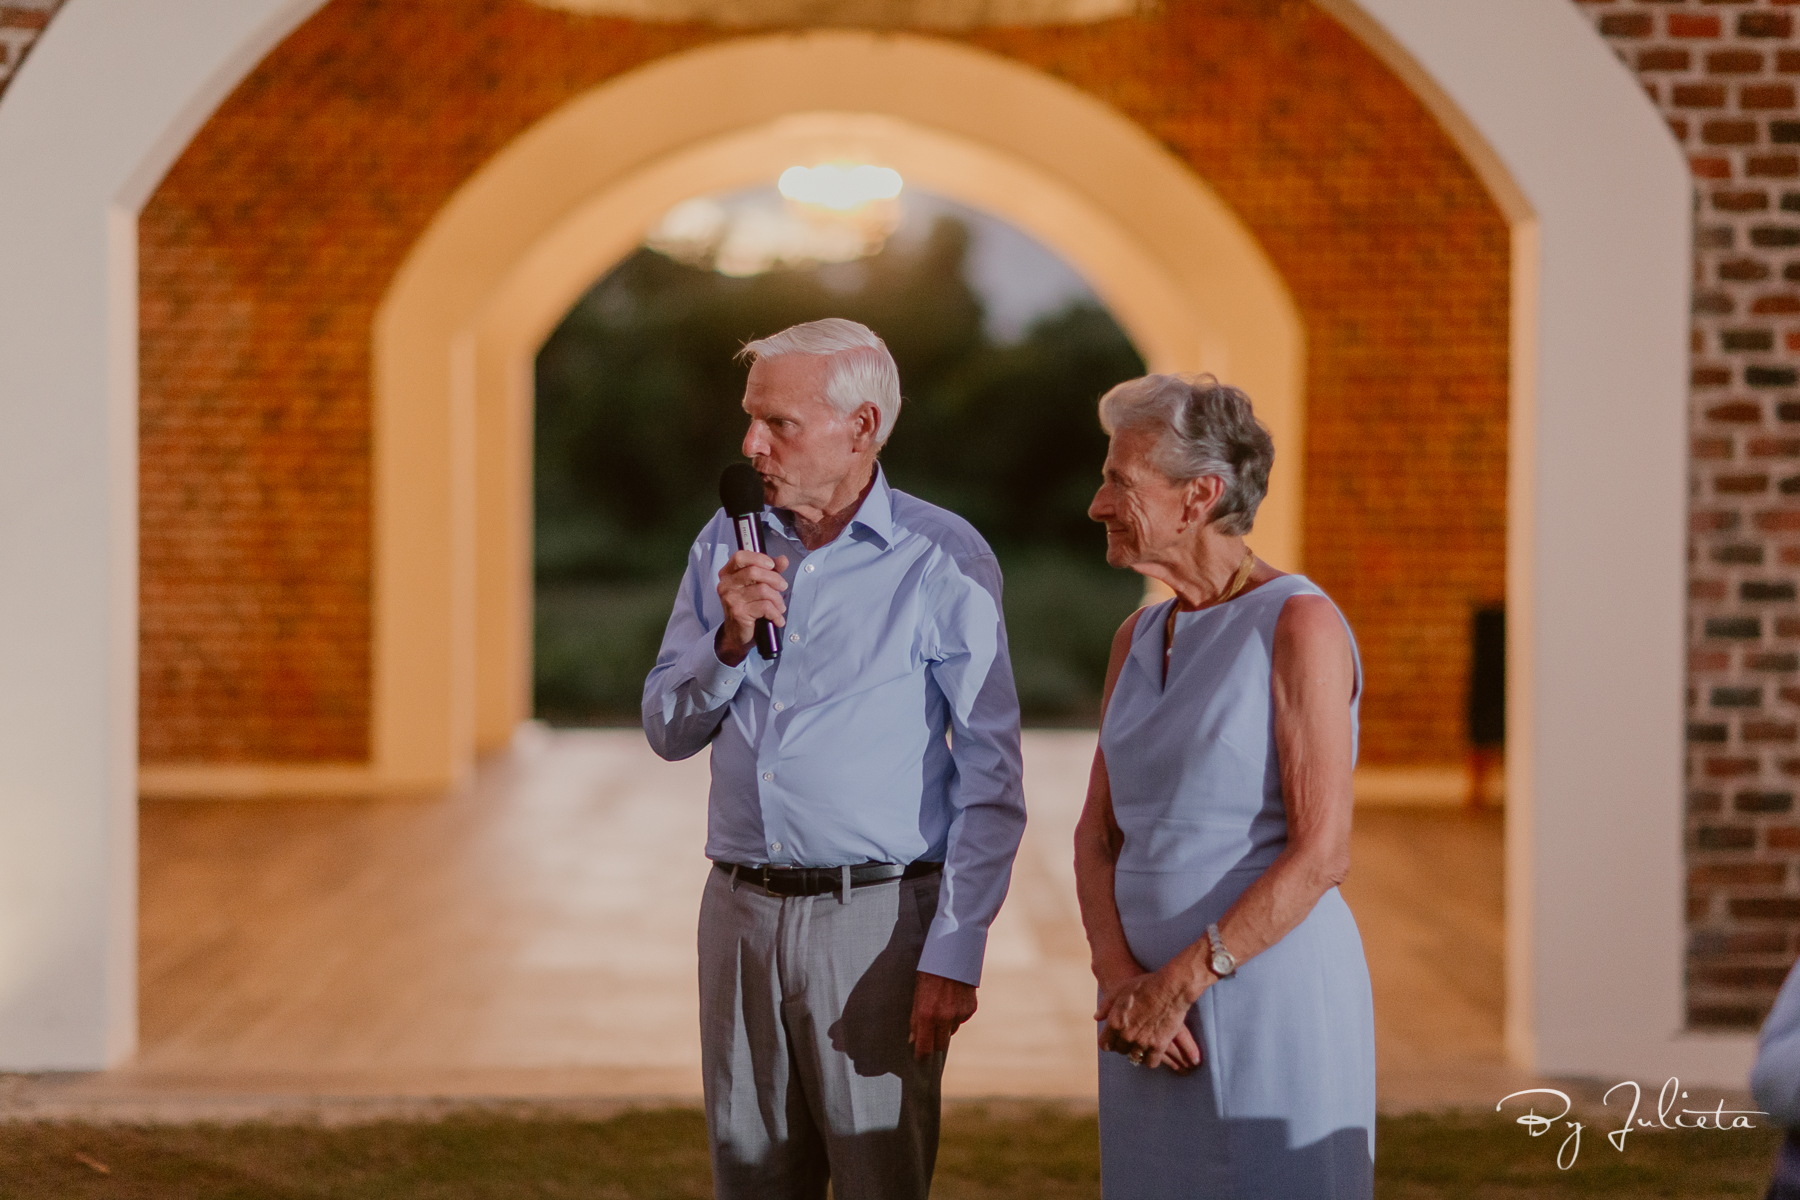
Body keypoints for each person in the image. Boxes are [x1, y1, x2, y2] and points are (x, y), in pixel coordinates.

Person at [642, 318, 1027, 1200]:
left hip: (879, 926)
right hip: (736, 911)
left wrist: (957, 949)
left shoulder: (942, 558)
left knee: (875, 1182)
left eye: (779, 423)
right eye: (750, 419)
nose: (749, 444)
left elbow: (991, 779)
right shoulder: (723, 543)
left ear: (862, 429)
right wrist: (729, 642)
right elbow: (666, 727)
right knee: (750, 1180)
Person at [1073, 373, 1376, 1199]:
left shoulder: (1298, 622)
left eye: (1119, 482)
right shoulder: (1137, 633)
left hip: (1263, 999)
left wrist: (1181, 984)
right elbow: (1096, 835)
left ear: (1199, 495)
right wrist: (1119, 982)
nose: (1098, 503)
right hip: (1142, 1016)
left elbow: (1322, 854)